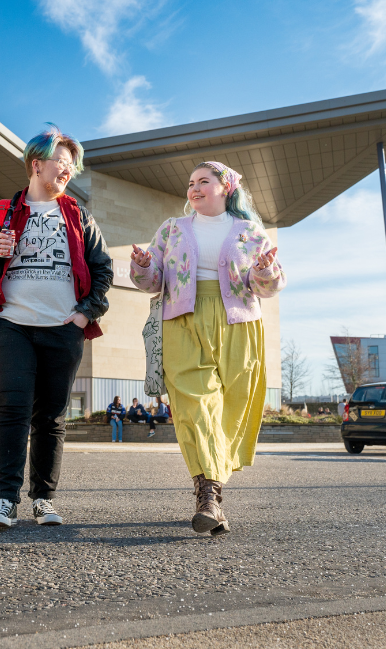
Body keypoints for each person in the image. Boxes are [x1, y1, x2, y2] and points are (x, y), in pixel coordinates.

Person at [0, 125, 113, 528]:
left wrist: (86, 313)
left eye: (72, 167)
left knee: (50, 417)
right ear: (37, 164)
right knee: (10, 409)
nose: (68, 172)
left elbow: (104, 269)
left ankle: (43, 499)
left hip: (62, 327)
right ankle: (4, 500)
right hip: (9, 323)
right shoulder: (0, 213)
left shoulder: (80, 217)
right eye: (61, 164)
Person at [130, 160, 286, 535]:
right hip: (181, 320)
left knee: (231, 409)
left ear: (226, 187)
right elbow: (150, 282)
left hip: (239, 324)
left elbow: (267, 287)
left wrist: (265, 271)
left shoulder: (249, 232)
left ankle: (212, 489)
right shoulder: (171, 229)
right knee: (194, 407)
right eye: (191, 183)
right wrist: (144, 264)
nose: (194, 189)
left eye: (203, 181)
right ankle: (209, 496)